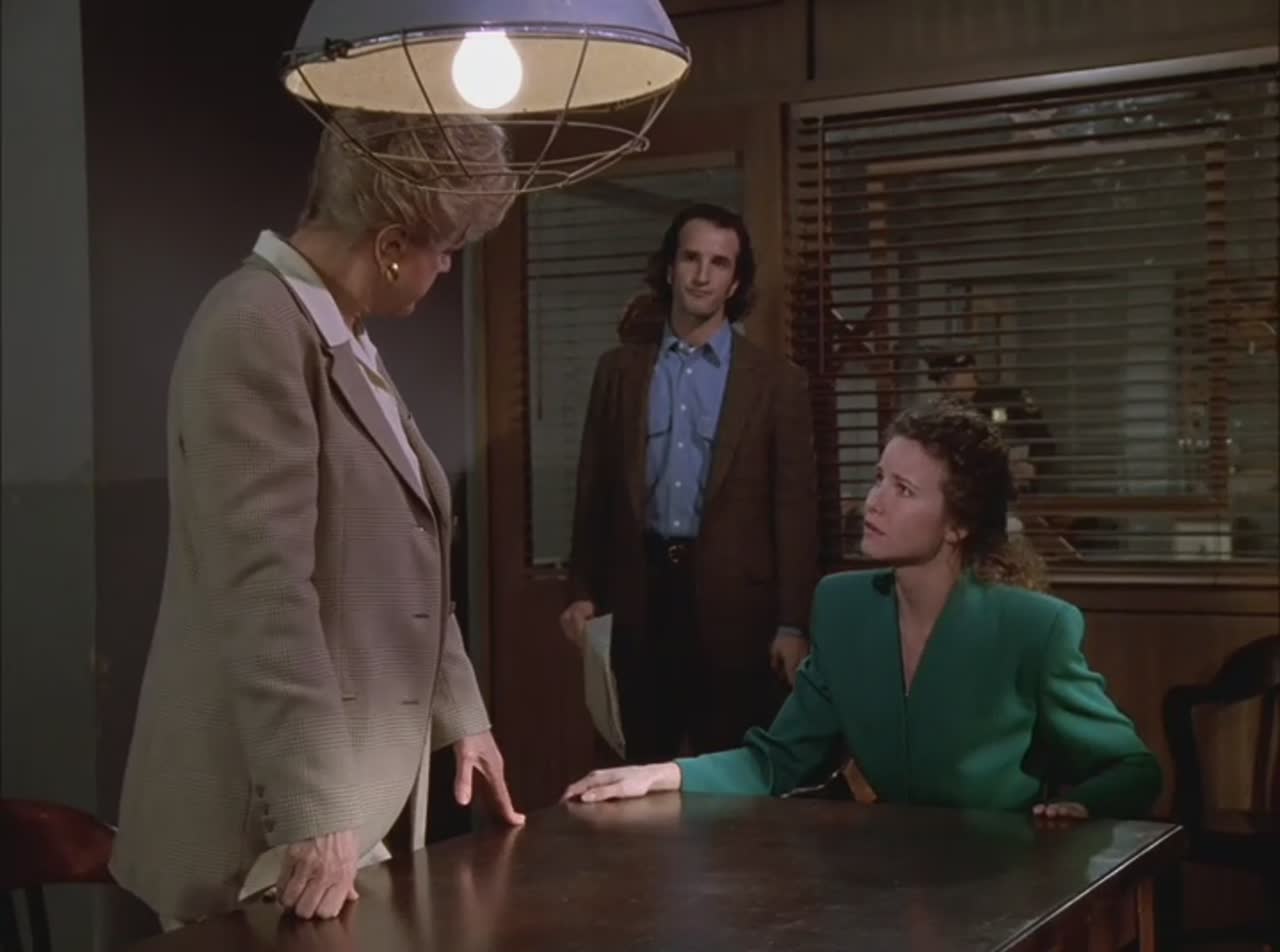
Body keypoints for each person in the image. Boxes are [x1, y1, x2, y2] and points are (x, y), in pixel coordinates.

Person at [111, 110, 525, 929]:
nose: (447, 266)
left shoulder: (342, 333)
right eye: (447, 249)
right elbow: (264, 591)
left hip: (347, 800)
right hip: (260, 823)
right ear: (392, 245)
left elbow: (407, 552)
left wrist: (462, 715)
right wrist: (313, 806)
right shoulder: (254, 327)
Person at [564, 400, 1161, 820]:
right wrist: (665, 774)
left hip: (1002, 884)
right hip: (888, 886)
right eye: (879, 478)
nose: (873, 502)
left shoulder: (1034, 627)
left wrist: (1079, 809)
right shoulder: (843, 607)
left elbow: (1132, 768)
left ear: (957, 525)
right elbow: (780, 760)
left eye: (903, 490)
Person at [560, 203, 820, 764]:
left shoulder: (775, 382)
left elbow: (796, 511)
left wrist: (793, 623)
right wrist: (581, 589)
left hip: (736, 614)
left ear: (736, 281)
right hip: (639, 598)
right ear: (670, 267)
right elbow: (594, 488)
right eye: (691, 258)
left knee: (731, 775)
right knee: (632, 771)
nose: (702, 275)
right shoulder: (619, 372)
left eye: (719, 263)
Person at [923, 349, 1057, 494]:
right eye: (938, 381)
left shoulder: (1008, 398)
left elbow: (1044, 443)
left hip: (1011, 493)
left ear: (970, 370)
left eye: (949, 379)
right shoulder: (943, 416)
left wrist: (1033, 467)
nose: (944, 387)